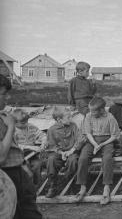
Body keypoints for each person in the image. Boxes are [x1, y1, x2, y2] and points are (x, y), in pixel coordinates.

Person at [0, 74, 42, 219]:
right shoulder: (8, 121)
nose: (6, 98)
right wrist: (11, 127)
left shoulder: (3, 115)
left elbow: (12, 146)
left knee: (28, 209)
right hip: (6, 174)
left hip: (16, 170)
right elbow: (1, 157)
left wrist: (23, 165)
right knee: (16, 212)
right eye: (3, 94)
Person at [76, 97, 120, 205]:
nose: (91, 112)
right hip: (92, 141)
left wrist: (102, 144)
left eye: (94, 111)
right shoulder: (88, 116)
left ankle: (106, 187)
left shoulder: (110, 118)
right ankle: (82, 187)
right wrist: (95, 144)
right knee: (83, 158)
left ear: (101, 110)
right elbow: (88, 133)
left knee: (107, 158)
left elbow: (114, 135)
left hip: (107, 140)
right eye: (90, 110)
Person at [45, 108, 85, 198]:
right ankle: (53, 185)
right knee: (51, 160)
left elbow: (80, 138)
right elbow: (51, 145)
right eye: (68, 117)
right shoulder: (52, 130)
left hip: (72, 151)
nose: (70, 119)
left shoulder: (73, 126)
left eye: (71, 116)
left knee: (73, 160)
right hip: (58, 153)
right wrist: (61, 152)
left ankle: (70, 182)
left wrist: (72, 150)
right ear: (59, 119)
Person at [12, 109, 47, 186]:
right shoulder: (12, 131)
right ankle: (27, 187)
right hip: (19, 157)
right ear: (14, 122)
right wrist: (31, 147)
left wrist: (44, 142)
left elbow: (42, 135)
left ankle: (36, 185)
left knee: (38, 164)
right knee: (26, 168)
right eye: (23, 123)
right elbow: (15, 145)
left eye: (27, 122)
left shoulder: (31, 127)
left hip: (32, 155)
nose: (26, 124)